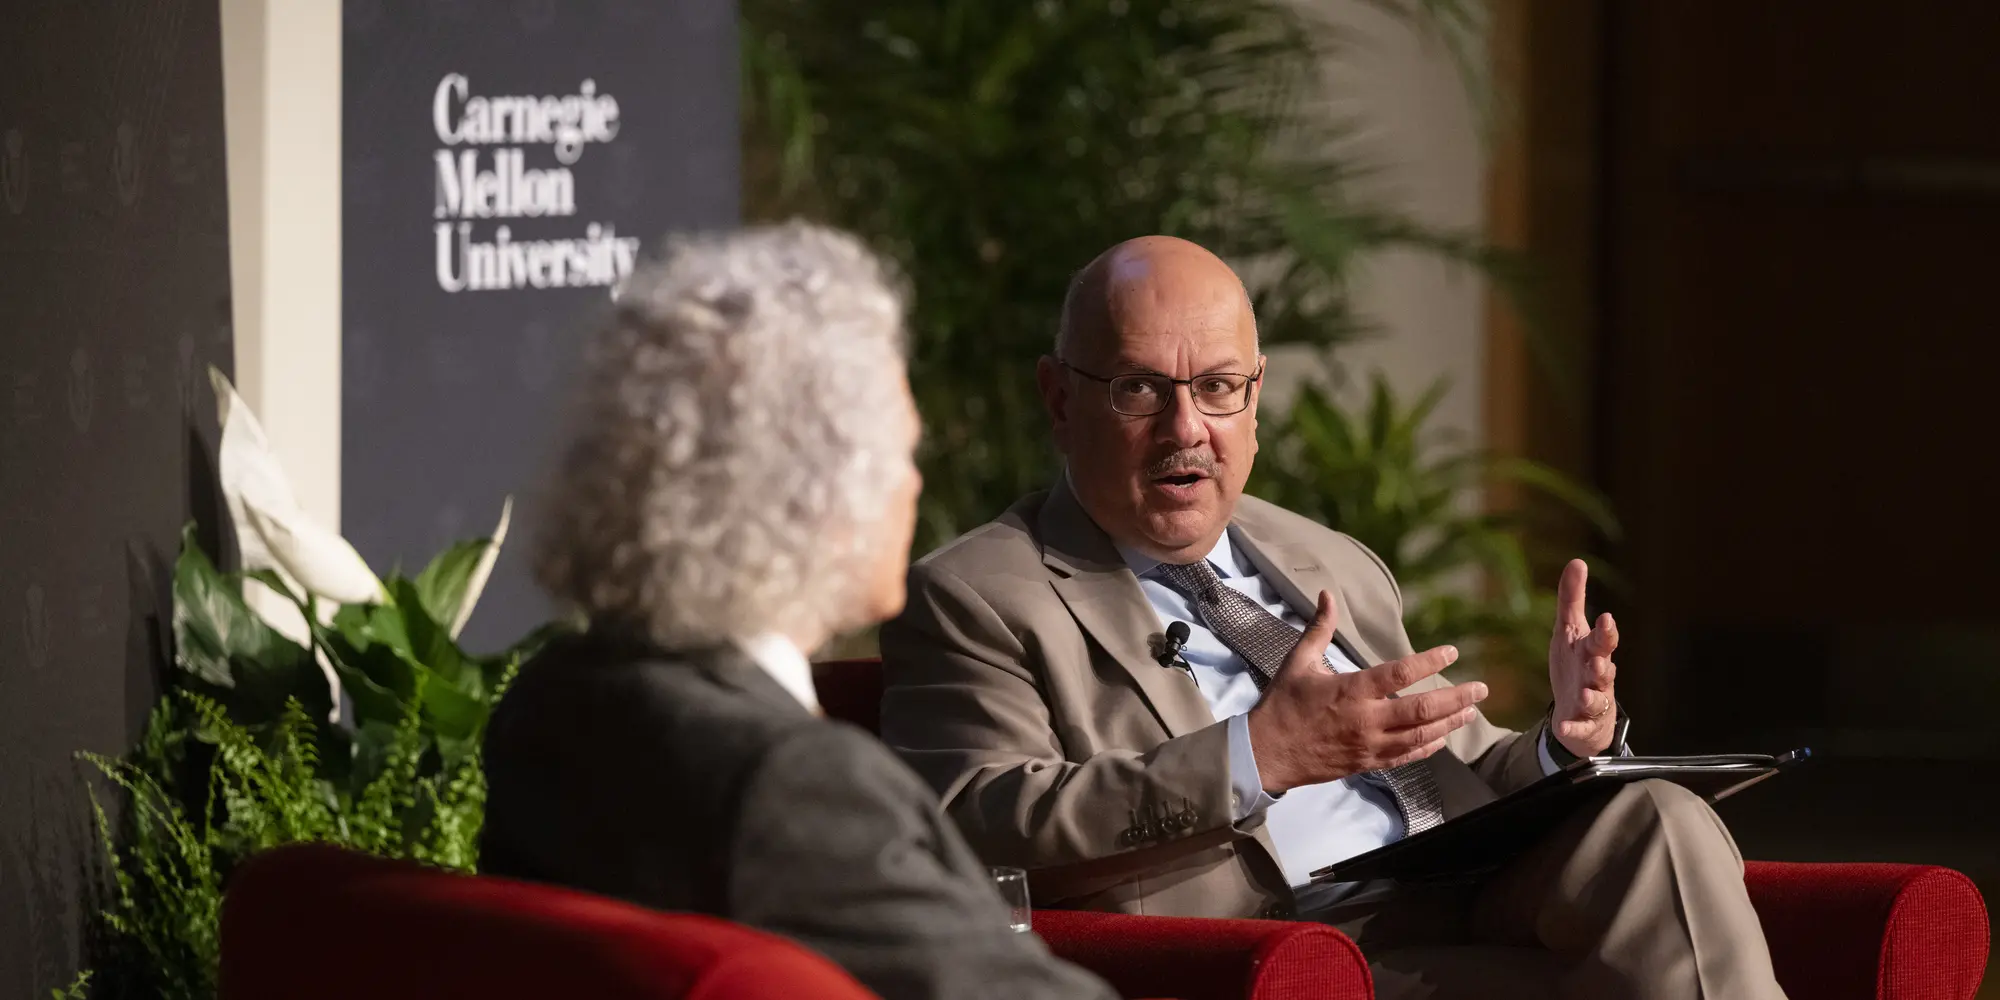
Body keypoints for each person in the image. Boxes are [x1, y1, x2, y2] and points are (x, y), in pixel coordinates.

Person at [878, 235, 1787, 999]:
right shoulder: (979, 594)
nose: (1186, 428)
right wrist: (1257, 759)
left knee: (1656, 819)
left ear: (1257, 396)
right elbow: (969, 823)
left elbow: (1457, 767)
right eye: (1140, 389)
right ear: (1060, 399)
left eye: (1220, 388)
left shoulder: (1327, 560)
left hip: (1448, 880)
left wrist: (1560, 747)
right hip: (1267, 944)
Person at [479, 223, 1116, 1000]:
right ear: (817, 495)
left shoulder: (551, 696)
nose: (914, 487)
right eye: (903, 455)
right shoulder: (793, 784)